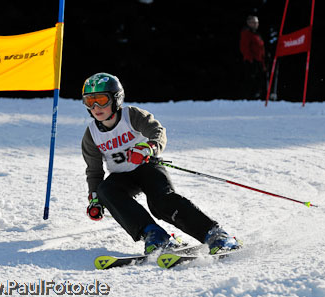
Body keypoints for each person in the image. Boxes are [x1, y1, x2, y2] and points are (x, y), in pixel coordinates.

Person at [81, 72, 240, 255]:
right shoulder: (91, 134)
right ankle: (154, 235)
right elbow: (94, 171)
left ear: (116, 99)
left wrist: (147, 148)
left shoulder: (132, 115)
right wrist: (95, 199)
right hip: (121, 177)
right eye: (89, 101)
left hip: (147, 167)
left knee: (161, 203)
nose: (95, 107)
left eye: (101, 99)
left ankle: (214, 234)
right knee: (105, 191)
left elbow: (157, 132)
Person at [240, 15, 267, 99]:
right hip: (251, 61)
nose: (256, 24)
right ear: (248, 23)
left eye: (257, 22)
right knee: (252, 80)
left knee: (260, 80)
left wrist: (263, 63)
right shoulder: (246, 33)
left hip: (259, 60)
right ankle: (251, 97)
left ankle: (259, 96)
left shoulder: (256, 34)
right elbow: (244, 47)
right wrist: (250, 59)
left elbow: (261, 48)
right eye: (253, 22)